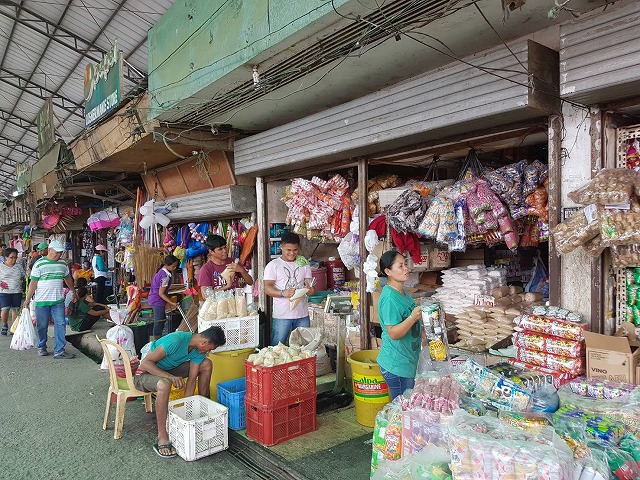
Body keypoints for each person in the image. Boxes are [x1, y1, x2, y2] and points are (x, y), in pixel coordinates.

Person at [136, 326, 226, 458]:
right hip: (144, 373)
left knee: (206, 364)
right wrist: (169, 377)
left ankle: (200, 410)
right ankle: (162, 436)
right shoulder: (176, 340)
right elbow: (145, 363)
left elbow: (191, 380)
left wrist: (187, 411)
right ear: (204, 343)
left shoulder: (198, 350)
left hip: (168, 370)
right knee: (165, 384)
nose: (209, 351)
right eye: (211, 349)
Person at [376, 250, 422, 400]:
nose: (406, 269)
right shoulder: (390, 298)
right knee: (401, 411)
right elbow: (393, 333)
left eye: (406, 264)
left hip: (406, 360)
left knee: (405, 409)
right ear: (388, 271)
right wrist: (413, 317)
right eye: (400, 266)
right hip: (396, 364)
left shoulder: (402, 291)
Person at [24, 240, 77, 359]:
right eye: (57, 252)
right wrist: (28, 299)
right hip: (41, 301)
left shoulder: (63, 264)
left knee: (60, 324)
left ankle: (59, 350)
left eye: (60, 253)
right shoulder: (39, 264)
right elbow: (33, 283)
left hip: (58, 301)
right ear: (49, 250)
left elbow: (68, 279)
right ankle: (41, 346)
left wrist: (73, 291)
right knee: (42, 325)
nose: (59, 255)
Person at [263, 232, 315, 346]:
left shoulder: (303, 263)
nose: (292, 253)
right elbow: (267, 288)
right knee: (278, 346)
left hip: (302, 315)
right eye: (288, 250)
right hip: (282, 315)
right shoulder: (273, 265)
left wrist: (310, 290)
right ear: (281, 247)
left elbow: (309, 285)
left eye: (295, 250)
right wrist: (282, 293)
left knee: (305, 347)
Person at [148, 255, 180, 341]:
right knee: (159, 322)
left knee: (161, 320)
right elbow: (161, 293)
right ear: (167, 265)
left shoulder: (160, 271)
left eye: (176, 266)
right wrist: (171, 303)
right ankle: (156, 342)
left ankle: (158, 340)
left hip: (154, 297)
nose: (175, 268)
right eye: (173, 266)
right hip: (157, 299)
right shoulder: (165, 276)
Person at [0, 248, 25, 335]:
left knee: (15, 309)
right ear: (6, 257)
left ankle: (13, 328)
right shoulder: (1, 266)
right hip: (4, 292)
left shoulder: (18, 266)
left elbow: (23, 275)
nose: (14, 259)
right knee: (5, 309)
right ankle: (5, 325)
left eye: (15, 257)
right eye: (11, 257)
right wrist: (1, 284)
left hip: (17, 291)